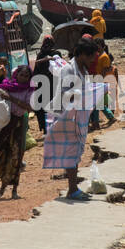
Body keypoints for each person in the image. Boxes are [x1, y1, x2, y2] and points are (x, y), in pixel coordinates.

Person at [43, 40, 98, 201]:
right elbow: (67, 94)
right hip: (65, 115)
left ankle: (73, 188)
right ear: (81, 55)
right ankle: (72, 189)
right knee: (71, 152)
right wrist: (85, 94)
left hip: (76, 115)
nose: (92, 60)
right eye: (90, 57)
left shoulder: (83, 69)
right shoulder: (69, 69)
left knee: (74, 151)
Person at [0, 66, 33, 198]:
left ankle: (14, 190)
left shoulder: (29, 90)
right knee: (2, 152)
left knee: (17, 155)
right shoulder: (7, 86)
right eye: (21, 75)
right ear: (16, 75)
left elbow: (29, 107)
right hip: (6, 124)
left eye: (26, 76)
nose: (23, 78)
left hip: (18, 124)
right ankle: (3, 185)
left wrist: (11, 98)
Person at [31, 38, 57, 133]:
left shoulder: (56, 54)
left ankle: (50, 127)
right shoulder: (41, 54)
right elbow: (36, 69)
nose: (47, 46)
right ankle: (46, 128)